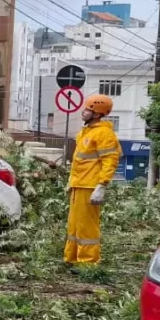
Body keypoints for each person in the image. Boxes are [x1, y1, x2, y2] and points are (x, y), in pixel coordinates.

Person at [64, 93, 121, 267]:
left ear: (97, 114)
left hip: (89, 186)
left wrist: (101, 185)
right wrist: (71, 182)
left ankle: (87, 263)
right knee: (74, 226)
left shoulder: (104, 134)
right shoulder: (85, 132)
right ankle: (72, 258)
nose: (84, 112)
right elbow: (80, 162)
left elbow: (110, 160)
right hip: (79, 184)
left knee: (86, 227)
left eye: (88, 109)